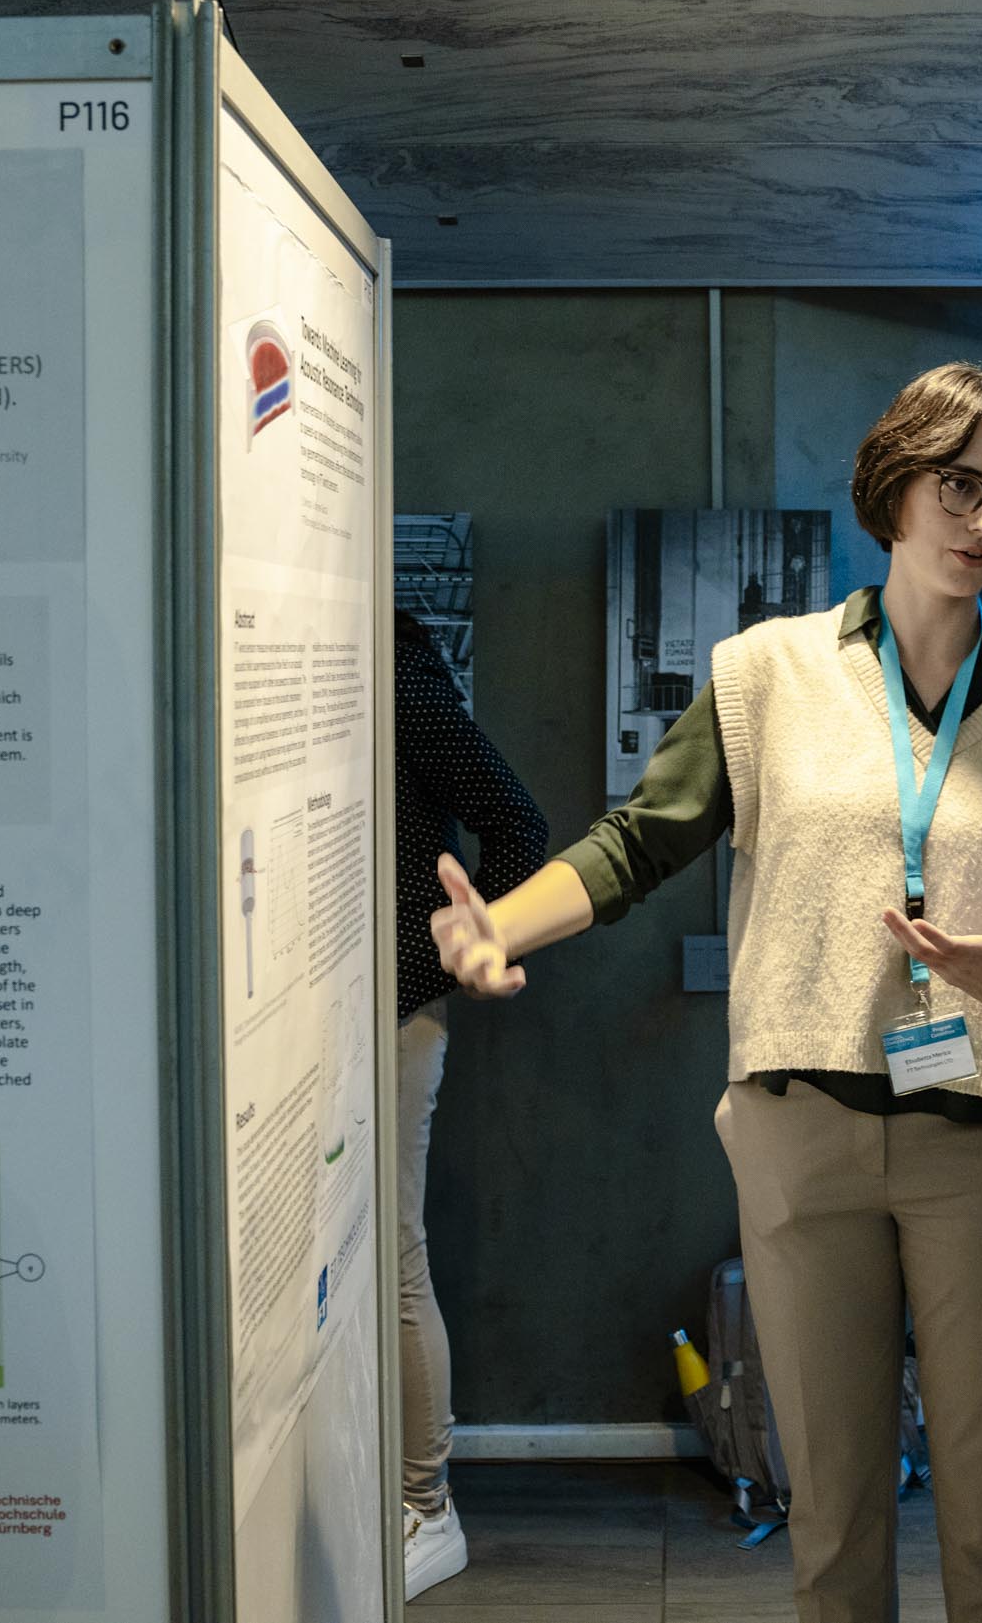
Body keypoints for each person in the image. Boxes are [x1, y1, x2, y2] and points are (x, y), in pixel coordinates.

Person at [430, 362, 982, 1623]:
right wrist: (504, 924)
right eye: (957, 487)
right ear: (892, 490)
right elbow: (640, 839)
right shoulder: (767, 674)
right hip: (798, 1123)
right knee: (827, 1507)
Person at [390, 607, 549, 1600]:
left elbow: (517, 823)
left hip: (390, 1003)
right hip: (282, 1003)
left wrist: (435, 961)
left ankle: (423, 1502)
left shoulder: (392, 665)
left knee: (392, 1250)